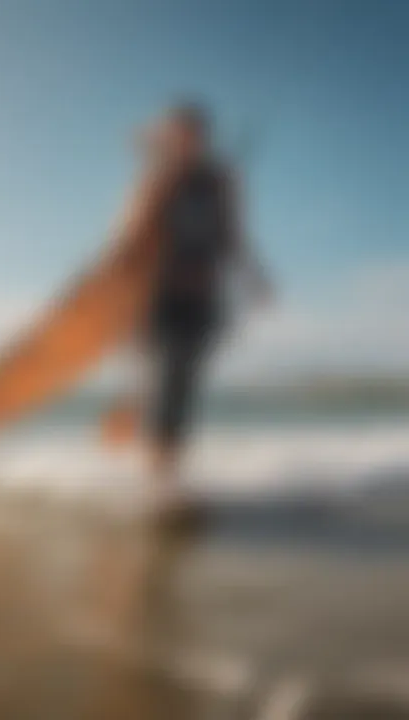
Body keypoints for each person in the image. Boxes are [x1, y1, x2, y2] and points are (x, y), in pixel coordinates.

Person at [117, 102, 272, 524]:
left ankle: (165, 482)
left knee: (183, 389)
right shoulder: (158, 179)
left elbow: (232, 236)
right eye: (176, 134)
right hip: (158, 295)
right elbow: (133, 236)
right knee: (165, 381)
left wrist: (255, 278)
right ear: (170, 137)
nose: (185, 141)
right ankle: (157, 487)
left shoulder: (220, 182)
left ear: (202, 137)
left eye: (192, 134)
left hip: (203, 297)